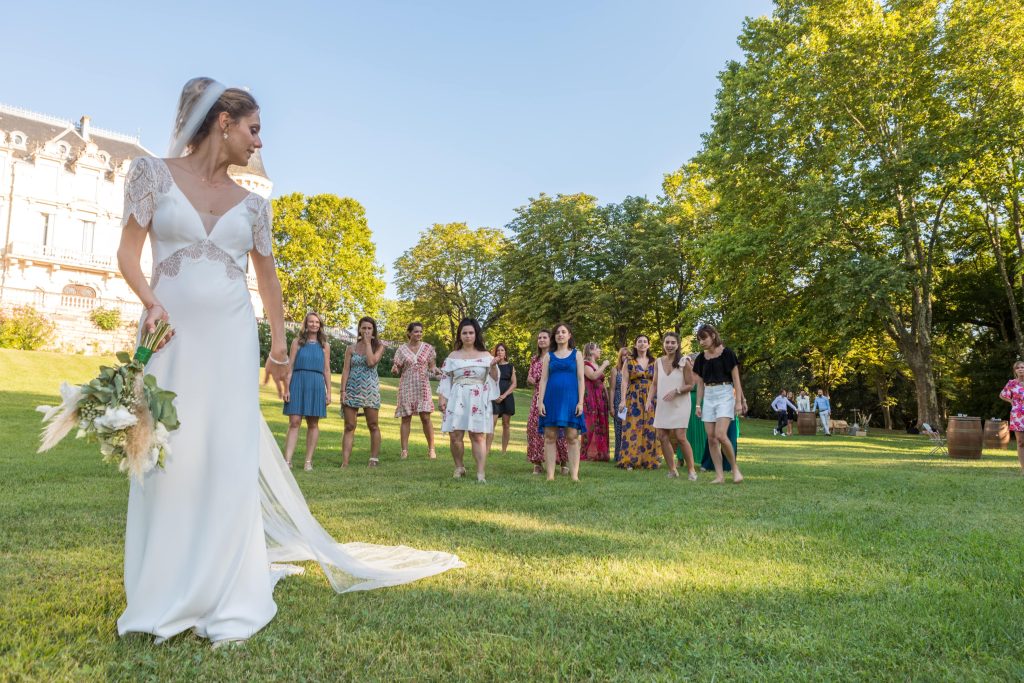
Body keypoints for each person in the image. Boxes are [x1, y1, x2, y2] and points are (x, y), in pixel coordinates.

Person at [114, 77, 462, 646]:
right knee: (166, 450)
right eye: (253, 129)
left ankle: (225, 586)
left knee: (226, 451)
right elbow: (128, 253)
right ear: (222, 123)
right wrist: (150, 303)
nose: (258, 143)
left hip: (229, 338)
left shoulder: (254, 205)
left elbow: (269, 287)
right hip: (169, 336)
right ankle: (162, 587)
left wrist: (278, 349)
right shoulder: (151, 174)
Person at [438, 318, 499, 483]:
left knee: (478, 435)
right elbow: (445, 378)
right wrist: (442, 397)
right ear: (460, 335)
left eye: (471, 332)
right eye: (464, 333)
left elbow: (495, 378)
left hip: (478, 398)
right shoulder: (453, 356)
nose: (467, 336)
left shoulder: (486, 356)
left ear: (476, 334)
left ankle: (480, 473)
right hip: (457, 395)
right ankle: (459, 466)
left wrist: (493, 366)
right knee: (455, 435)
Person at [692, 323, 745, 483]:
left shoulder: (728, 353)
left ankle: (735, 469)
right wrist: (698, 405)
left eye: (704, 338)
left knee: (721, 435)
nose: (701, 342)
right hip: (708, 396)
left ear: (713, 336)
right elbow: (700, 384)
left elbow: (736, 379)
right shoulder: (701, 358)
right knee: (711, 438)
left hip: (725, 394)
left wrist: (738, 402)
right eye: (699, 340)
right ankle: (719, 476)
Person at [537, 323, 587, 481]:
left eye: (563, 332)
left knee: (572, 436)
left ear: (569, 335)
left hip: (571, 400)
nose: (560, 335)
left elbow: (581, 379)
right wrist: (540, 401)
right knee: (550, 436)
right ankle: (550, 476)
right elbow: (543, 380)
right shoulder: (549, 356)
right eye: (557, 332)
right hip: (551, 399)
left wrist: (580, 402)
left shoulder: (577, 354)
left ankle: (574, 476)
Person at [281, 312, 331, 470]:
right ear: (306, 324)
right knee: (294, 421)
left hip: (316, 384)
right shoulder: (297, 342)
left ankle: (308, 461)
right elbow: (289, 367)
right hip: (298, 381)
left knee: (313, 423)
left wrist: (329, 392)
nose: (314, 325)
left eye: (317, 322)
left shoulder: (324, 346)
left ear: (320, 325)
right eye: (311, 322)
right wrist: (286, 388)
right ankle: (287, 460)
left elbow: (327, 370)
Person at [646, 332, 697, 480]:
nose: (670, 345)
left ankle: (691, 470)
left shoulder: (684, 361)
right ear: (663, 344)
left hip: (680, 404)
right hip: (663, 404)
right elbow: (654, 383)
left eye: (673, 343)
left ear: (678, 344)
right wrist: (649, 400)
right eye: (667, 342)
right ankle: (672, 470)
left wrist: (676, 391)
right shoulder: (658, 362)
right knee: (662, 436)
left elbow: (690, 384)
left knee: (681, 437)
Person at [341, 317, 384, 467]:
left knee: (373, 424)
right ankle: (345, 462)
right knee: (349, 426)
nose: (366, 331)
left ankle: (373, 459)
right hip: (352, 389)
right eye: (363, 328)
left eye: (369, 328)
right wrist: (342, 391)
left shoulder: (379, 346)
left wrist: (367, 344)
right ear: (359, 329)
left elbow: (371, 362)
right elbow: (346, 370)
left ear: (373, 331)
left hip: (370, 389)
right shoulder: (350, 348)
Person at [391, 322, 438, 460]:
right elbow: (397, 366)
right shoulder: (401, 350)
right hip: (407, 385)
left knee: (425, 417)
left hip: (422, 385)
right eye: (416, 331)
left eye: (420, 332)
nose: (419, 334)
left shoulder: (428, 348)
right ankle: (404, 451)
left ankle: (431, 449)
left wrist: (434, 370)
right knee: (406, 418)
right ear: (409, 333)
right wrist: (395, 369)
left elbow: (432, 366)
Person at [526, 329, 567, 474]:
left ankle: (563, 462)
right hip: (538, 395)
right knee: (534, 427)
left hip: (554, 395)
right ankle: (537, 463)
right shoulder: (534, 359)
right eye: (539, 338)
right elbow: (530, 377)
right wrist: (530, 380)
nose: (541, 340)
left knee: (558, 428)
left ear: (551, 340)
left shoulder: (556, 357)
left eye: (544, 337)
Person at [617, 334, 659, 470]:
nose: (642, 343)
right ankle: (629, 460)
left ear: (649, 345)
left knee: (650, 427)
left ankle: (649, 460)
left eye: (645, 341)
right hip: (633, 396)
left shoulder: (655, 361)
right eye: (639, 341)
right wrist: (622, 400)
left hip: (651, 396)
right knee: (632, 427)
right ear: (635, 345)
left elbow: (658, 381)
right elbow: (624, 381)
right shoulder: (629, 361)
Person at [581, 342, 610, 461]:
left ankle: (600, 453)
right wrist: (604, 365)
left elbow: (602, 383)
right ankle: (586, 452)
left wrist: (607, 400)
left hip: (600, 397)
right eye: (598, 349)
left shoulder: (596, 364)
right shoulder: (585, 364)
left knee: (601, 423)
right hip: (590, 397)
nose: (600, 351)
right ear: (591, 351)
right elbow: (592, 376)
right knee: (590, 423)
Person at [487, 343, 517, 456]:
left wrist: (504, 396)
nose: (500, 352)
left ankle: (504, 451)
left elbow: (514, 384)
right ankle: (487, 449)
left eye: (502, 350)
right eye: (498, 350)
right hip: (494, 396)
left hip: (507, 397)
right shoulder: (491, 365)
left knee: (506, 424)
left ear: (505, 353)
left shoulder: (510, 366)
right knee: (492, 423)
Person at [999, 360, 1024, 473]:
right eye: (1018, 368)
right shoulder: (1011, 383)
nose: (1020, 369)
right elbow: (1002, 395)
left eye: (1022, 367)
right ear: (1015, 371)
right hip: (1017, 415)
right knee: (1020, 442)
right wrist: (1011, 401)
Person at [611, 346, 630, 463]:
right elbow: (612, 389)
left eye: (628, 355)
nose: (626, 357)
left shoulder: (633, 368)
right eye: (624, 355)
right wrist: (612, 406)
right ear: (620, 357)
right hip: (619, 402)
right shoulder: (615, 370)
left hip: (632, 400)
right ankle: (618, 456)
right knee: (619, 429)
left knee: (629, 427)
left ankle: (629, 454)